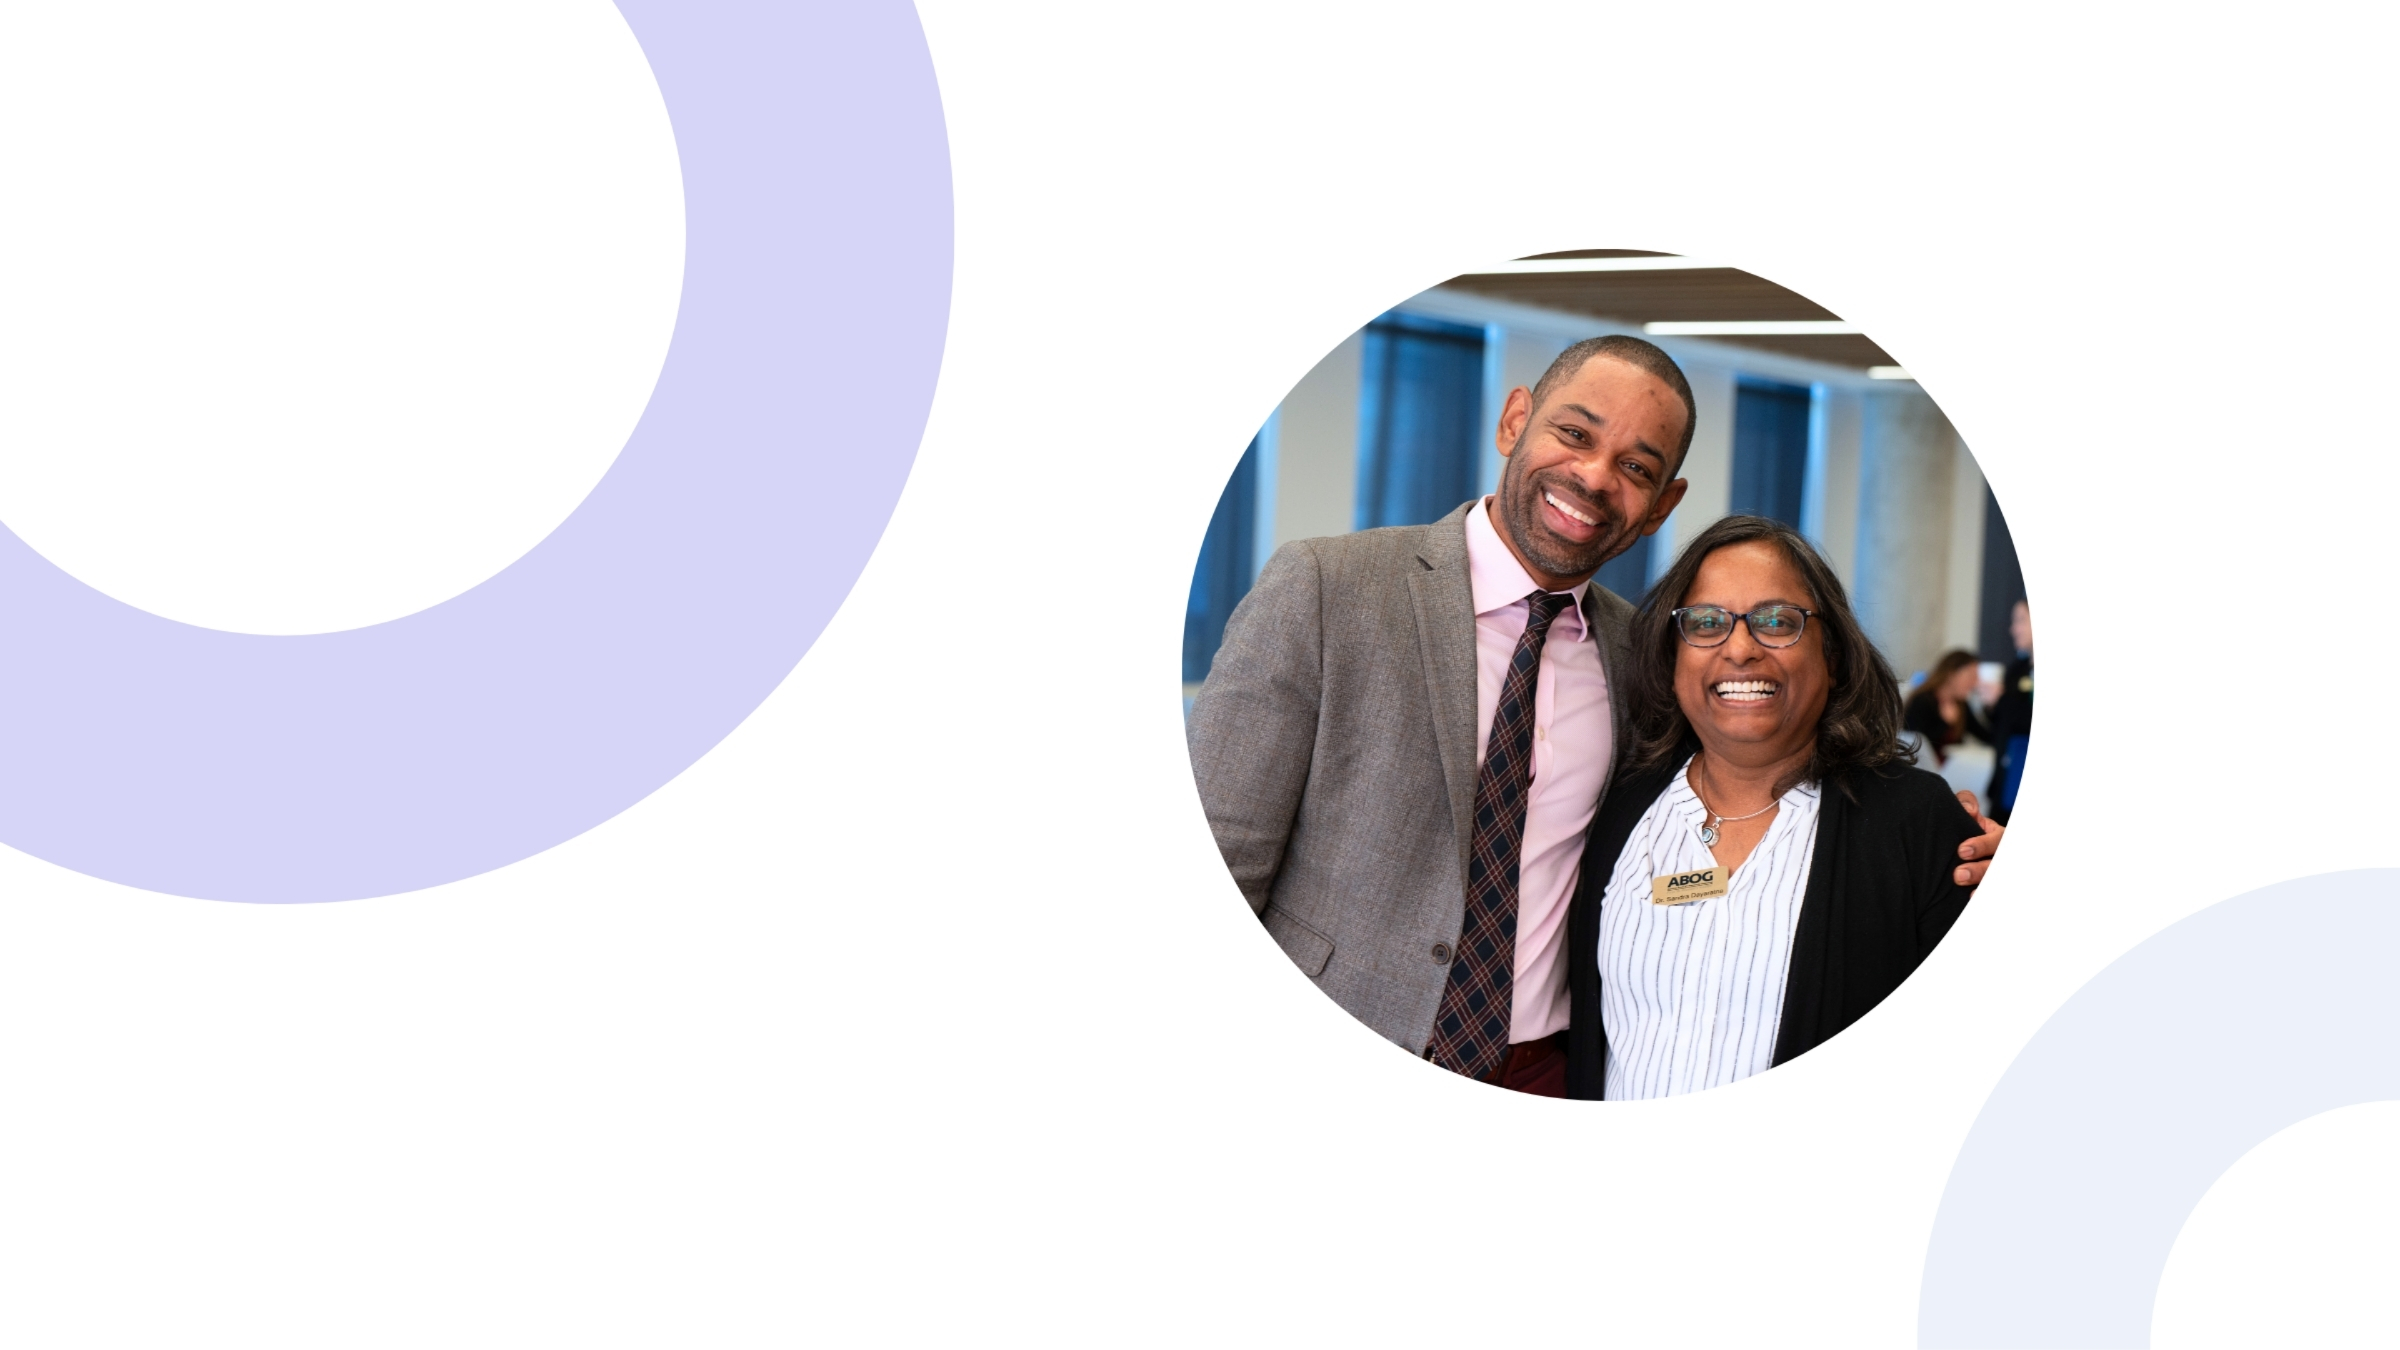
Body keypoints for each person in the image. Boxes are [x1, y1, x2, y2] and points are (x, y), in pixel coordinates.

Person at [1187, 335, 2004, 1096]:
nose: (1594, 476)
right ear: (1515, 421)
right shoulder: (1329, 588)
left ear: (1661, 504)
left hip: (1554, 1072)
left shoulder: (1638, 651)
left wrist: (1945, 855)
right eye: (1575, 434)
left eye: (1637, 467)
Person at [1564, 516, 1980, 1098]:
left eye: (1777, 621)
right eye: (1706, 623)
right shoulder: (1622, 806)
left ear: (1832, 655)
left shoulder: (1915, 823)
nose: (1739, 648)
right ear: (1672, 657)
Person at [1902, 649, 1993, 766]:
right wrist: (1945, 723)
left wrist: (1991, 708)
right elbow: (1915, 744)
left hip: (1951, 770)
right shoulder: (1922, 700)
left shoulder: (1961, 704)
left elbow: (1987, 736)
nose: (1975, 682)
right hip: (1924, 771)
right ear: (1952, 674)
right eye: (1971, 676)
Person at [1987, 601, 2034, 824]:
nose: (2013, 629)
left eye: (2021, 621)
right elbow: (2000, 727)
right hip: (2008, 773)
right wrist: (1993, 705)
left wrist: (2002, 700)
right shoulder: (2016, 669)